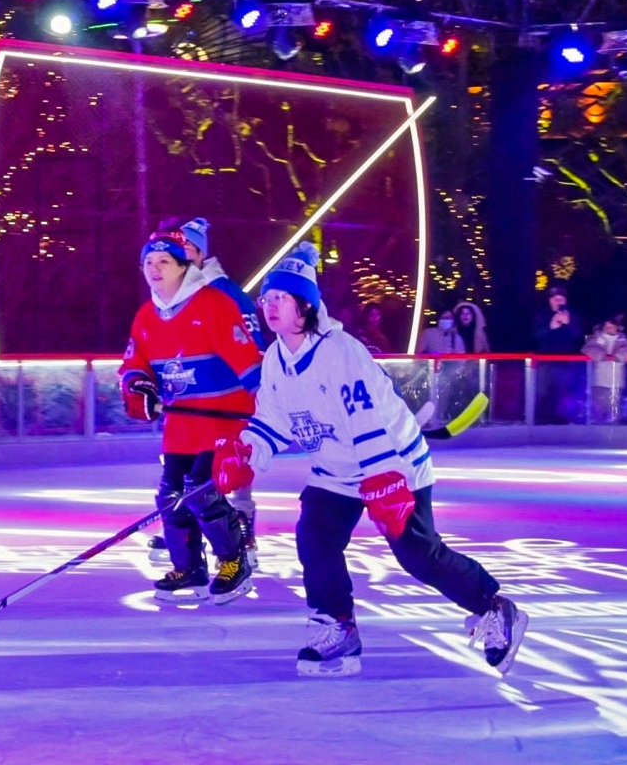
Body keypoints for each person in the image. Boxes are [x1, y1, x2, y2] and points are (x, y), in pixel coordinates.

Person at [213, 244, 526, 678]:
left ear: (306, 305)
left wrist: (384, 477)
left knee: (417, 554)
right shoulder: (276, 360)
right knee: (315, 536)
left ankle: (492, 607)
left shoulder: (340, 352)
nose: (270, 305)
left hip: (393, 460)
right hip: (337, 470)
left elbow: (365, 418)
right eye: (267, 298)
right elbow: (274, 419)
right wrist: (248, 449)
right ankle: (336, 625)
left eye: (282, 297)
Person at [116, 220, 261, 605]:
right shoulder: (146, 315)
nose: (155, 268)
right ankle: (189, 567)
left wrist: (266, 414)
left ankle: (234, 562)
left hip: (223, 417)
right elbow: (134, 364)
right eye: (149, 262)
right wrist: (138, 386)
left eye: (164, 261)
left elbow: (248, 362)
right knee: (171, 495)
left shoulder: (214, 304)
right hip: (181, 423)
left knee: (201, 491)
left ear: (184, 266)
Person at [582, 318, 627, 423]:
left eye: (611, 326)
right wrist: (602, 356)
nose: (608, 328)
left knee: (615, 412)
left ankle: (615, 430)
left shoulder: (624, 340)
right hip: (599, 380)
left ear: (617, 327)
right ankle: (597, 430)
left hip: (617, 381)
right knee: (597, 411)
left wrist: (617, 356)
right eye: (606, 326)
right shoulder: (596, 339)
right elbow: (587, 349)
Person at [532, 285, 584, 355]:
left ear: (565, 300)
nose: (558, 301)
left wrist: (568, 323)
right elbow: (536, 335)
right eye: (555, 299)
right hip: (546, 356)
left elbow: (578, 336)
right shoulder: (541, 315)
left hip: (569, 357)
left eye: (561, 299)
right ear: (549, 301)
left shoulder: (573, 314)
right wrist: (550, 327)